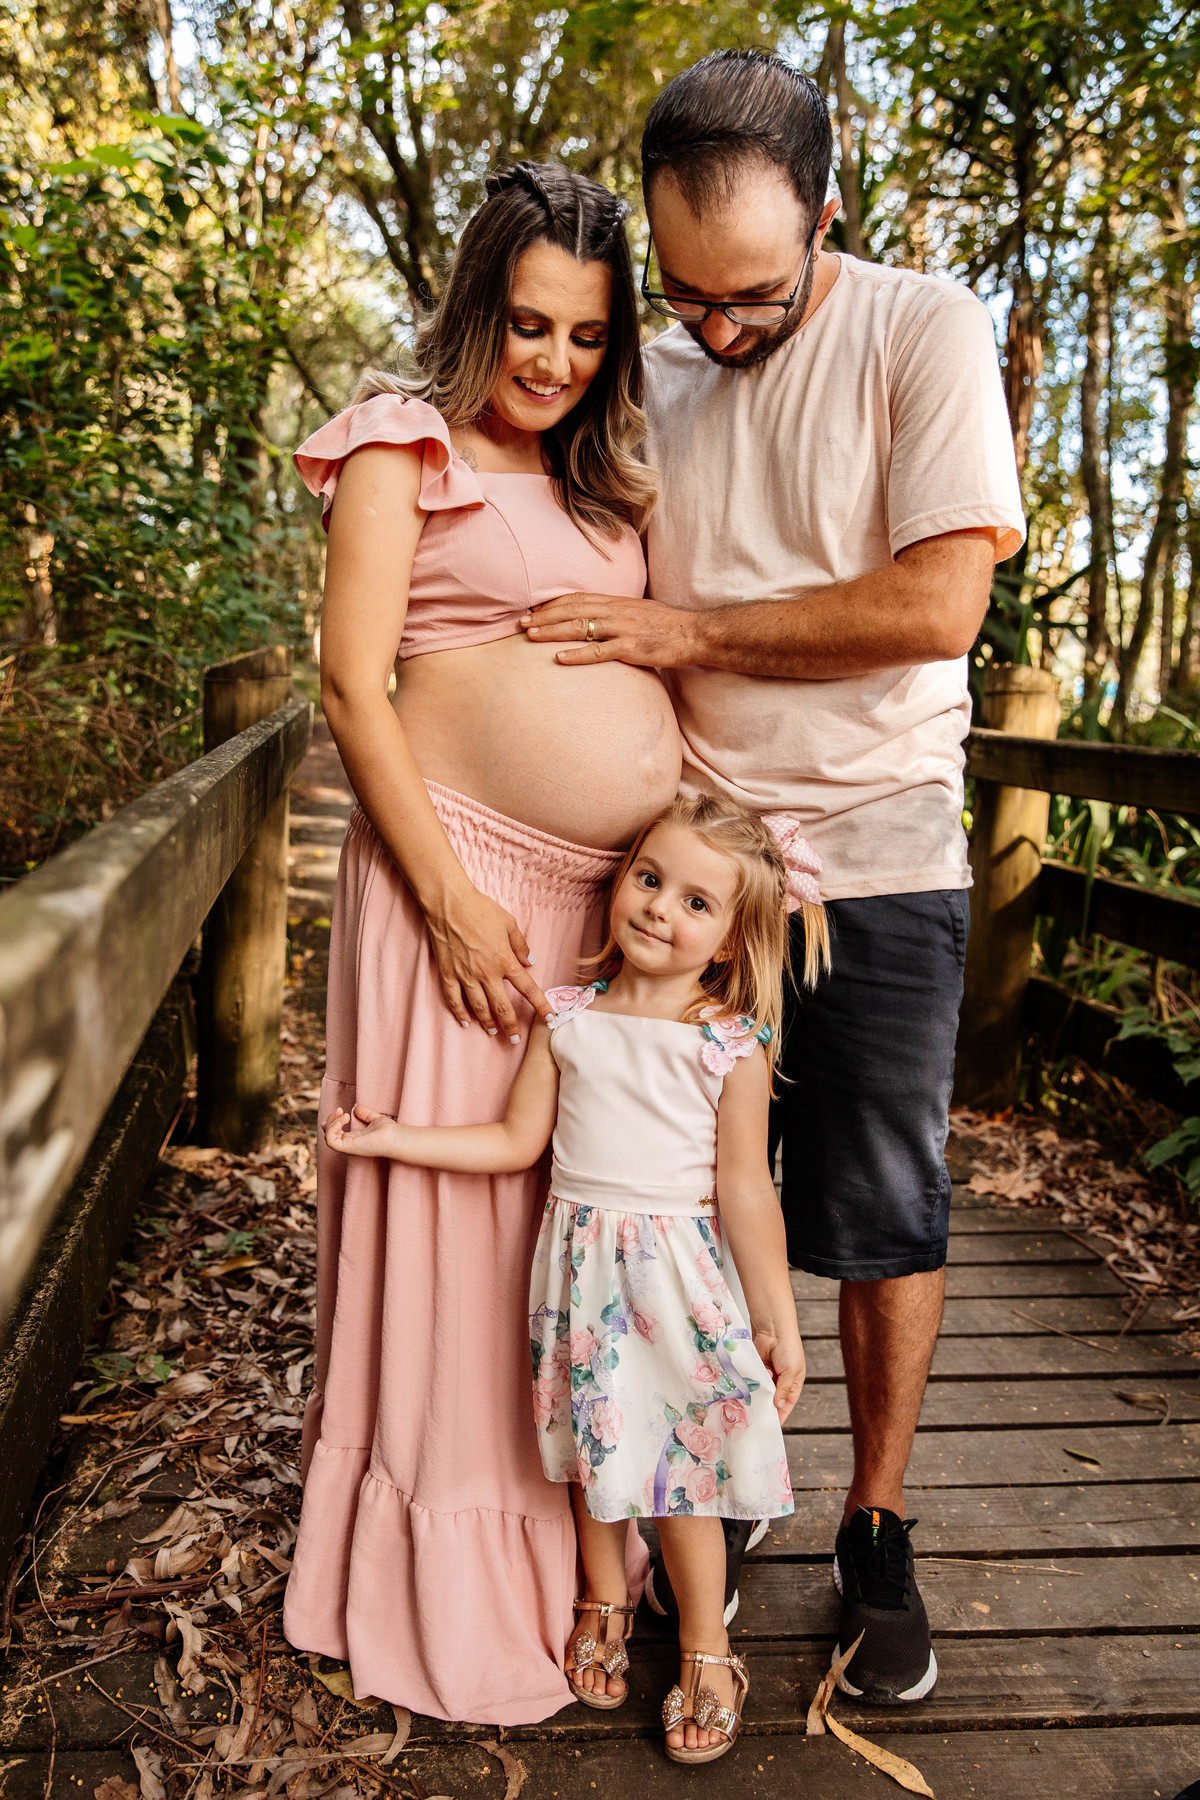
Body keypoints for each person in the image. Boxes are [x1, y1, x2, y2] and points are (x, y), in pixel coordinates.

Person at [520, 50, 1026, 1706]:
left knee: (879, 1212)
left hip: (877, 854)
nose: (716, 333)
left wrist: (689, 630)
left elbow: (937, 605)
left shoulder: (922, 331)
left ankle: (874, 1522)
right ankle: (714, 1489)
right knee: (670, 1198)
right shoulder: (647, 362)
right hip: (698, 858)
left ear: (832, 212)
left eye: (753, 295)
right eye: (687, 297)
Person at [282, 160, 686, 1725]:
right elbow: (350, 688)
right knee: (462, 1246)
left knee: (576, 1247)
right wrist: (453, 895)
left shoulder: (605, 480)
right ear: (479, 307)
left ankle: (587, 1561)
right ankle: (447, 1577)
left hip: (599, 923)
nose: (555, 363)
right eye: (530, 325)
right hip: (456, 896)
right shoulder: (404, 445)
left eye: (588, 337)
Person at [323, 793, 822, 1764]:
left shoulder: (729, 1044)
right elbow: (516, 1142)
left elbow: (748, 1191)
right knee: (591, 1449)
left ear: (726, 942)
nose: (658, 909)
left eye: (695, 903)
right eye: (649, 879)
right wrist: (397, 1138)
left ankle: (706, 1650)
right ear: (620, 876)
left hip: (675, 1284)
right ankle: (602, 1595)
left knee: (681, 1477)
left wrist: (778, 1319)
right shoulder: (570, 1018)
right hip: (581, 1278)